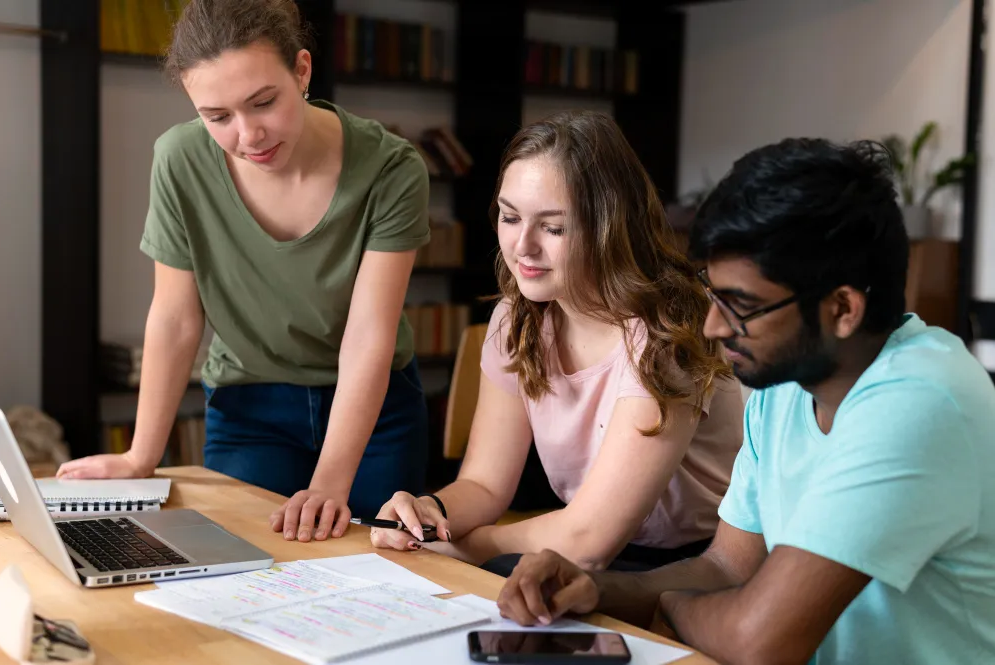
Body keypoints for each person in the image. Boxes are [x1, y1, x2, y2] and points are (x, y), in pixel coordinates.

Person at [493, 138, 995, 665]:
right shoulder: (786, 387)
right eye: (714, 295)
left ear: (842, 308)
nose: (712, 326)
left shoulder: (918, 401)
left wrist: (671, 607)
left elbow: (761, 641)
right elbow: (728, 569)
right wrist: (597, 588)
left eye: (741, 306)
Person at [55, 0, 432, 543]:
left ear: (302, 71)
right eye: (218, 117)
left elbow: (370, 334)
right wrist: (142, 456)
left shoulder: (392, 169)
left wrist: (329, 482)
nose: (249, 134)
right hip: (249, 408)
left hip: (374, 412)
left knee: (379, 570)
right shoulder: (179, 160)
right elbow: (176, 318)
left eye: (263, 103)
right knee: (240, 569)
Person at [370, 110, 745, 575]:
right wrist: (429, 512)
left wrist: (471, 546)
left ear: (610, 227)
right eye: (510, 217)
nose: (522, 246)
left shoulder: (667, 331)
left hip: (696, 564)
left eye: (553, 227)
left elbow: (590, 540)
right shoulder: (517, 318)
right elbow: (485, 485)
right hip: (579, 545)